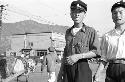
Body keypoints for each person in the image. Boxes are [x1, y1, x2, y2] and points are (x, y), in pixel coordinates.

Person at [58, 0, 100, 82]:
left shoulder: (90, 31)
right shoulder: (68, 32)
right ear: (70, 14)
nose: (76, 14)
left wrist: (78, 56)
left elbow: (96, 51)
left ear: (84, 14)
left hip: (82, 68)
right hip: (68, 69)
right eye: (74, 11)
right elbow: (65, 53)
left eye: (80, 12)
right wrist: (60, 73)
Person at [94, 1, 125, 82]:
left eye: (121, 12)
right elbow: (104, 59)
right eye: (114, 13)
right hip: (112, 69)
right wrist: (97, 74)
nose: (118, 15)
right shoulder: (107, 36)